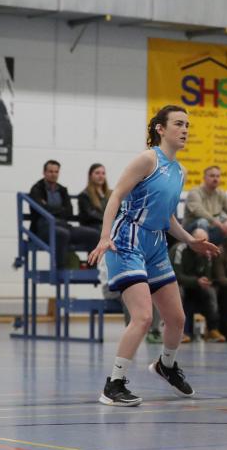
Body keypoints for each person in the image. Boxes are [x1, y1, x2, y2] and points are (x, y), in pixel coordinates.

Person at [88, 106, 219, 406]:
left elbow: (168, 217)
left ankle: (166, 366)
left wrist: (191, 240)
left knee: (176, 318)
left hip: (156, 243)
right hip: (128, 239)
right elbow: (116, 195)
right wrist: (105, 236)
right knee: (144, 317)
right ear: (161, 129)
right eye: (178, 124)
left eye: (187, 125)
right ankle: (114, 384)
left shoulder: (180, 171)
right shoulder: (148, 159)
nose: (185, 130)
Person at [29, 160, 100, 268]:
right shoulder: (36, 189)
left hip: (64, 225)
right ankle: (60, 269)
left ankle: (92, 269)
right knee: (62, 234)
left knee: (94, 234)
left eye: (56, 172)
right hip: (43, 228)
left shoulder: (62, 190)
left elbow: (69, 211)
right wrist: (60, 210)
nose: (53, 174)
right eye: (50, 171)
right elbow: (40, 210)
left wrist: (49, 208)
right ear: (44, 172)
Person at [170, 228, 224, 343]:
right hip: (178, 284)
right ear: (192, 240)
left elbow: (207, 276)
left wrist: (205, 281)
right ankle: (181, 331)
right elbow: (176, 276)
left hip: (196, 286)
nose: (205, 245)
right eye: (201, 242)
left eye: (207, 241)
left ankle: (212, 330)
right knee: (179, 291)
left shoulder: (207, 253)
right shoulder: (179, 249)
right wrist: (196, 281)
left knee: (210, 291)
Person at [183, 166, 227, 245]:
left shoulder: (221, 193)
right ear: (204, 178)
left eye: (218, 176)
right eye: (212, 176)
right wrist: (217, 223)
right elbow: (198, 211)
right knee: (203, 222)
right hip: (193, 228)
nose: (215, 179)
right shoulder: (195, 192)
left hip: (213, 227)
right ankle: (204, 250)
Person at [78, 163, 112, 232]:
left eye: (103, 173)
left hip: (108, 224)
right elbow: (91, 215)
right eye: (97, 173)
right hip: (93, 226)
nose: (101, 176)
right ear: (90, 175)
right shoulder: (84, 195)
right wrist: (109, 220)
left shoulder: (110, 194)